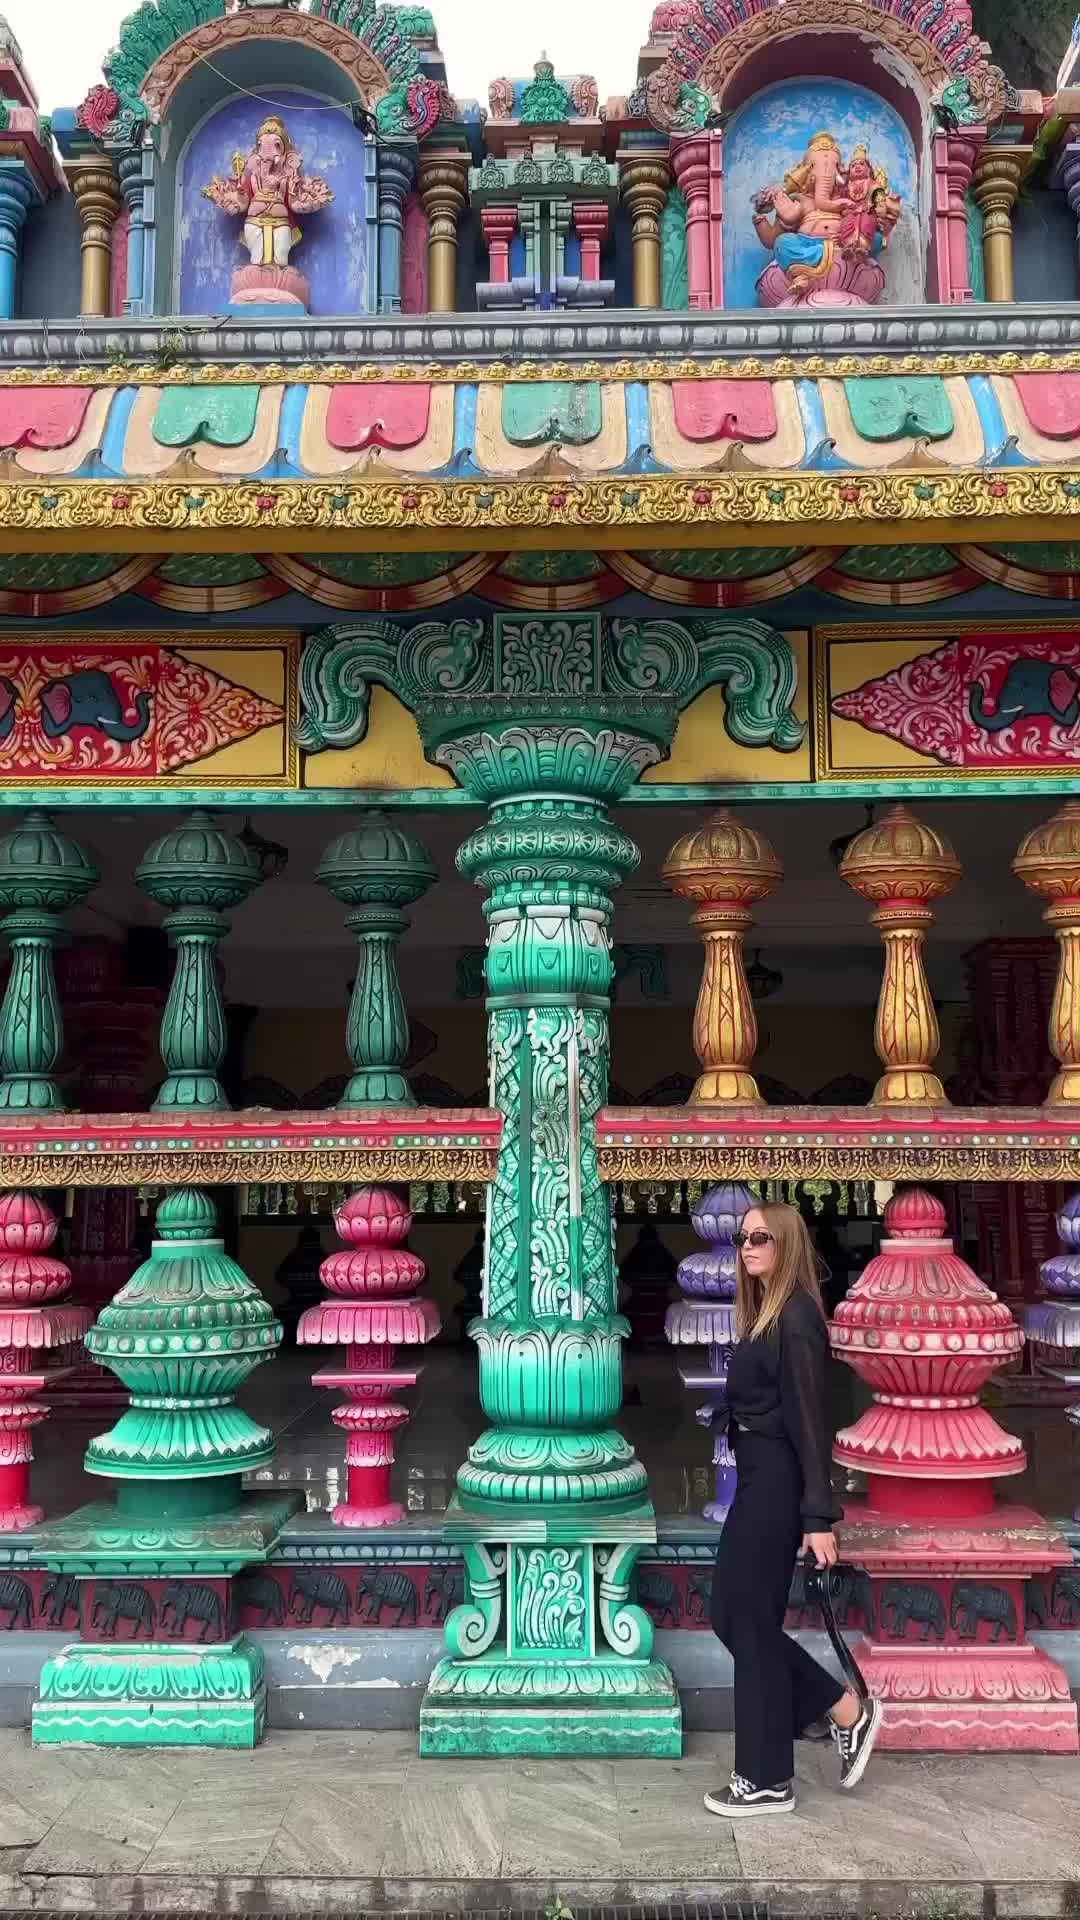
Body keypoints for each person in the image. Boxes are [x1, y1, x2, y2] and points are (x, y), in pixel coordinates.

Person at [704, 1203, 881, 1819]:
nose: (747, 1247)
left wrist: (817, 1516)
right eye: (742, 1238)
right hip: (758, 1480)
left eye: (760, 1238)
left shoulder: (799, 1317)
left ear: (786, 1246)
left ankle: (767, 1778)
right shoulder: (765, 1315)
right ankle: (839, 1708)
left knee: (747, 1623)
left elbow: (811, 1421)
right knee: (730, 1614)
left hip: (780, 1485)